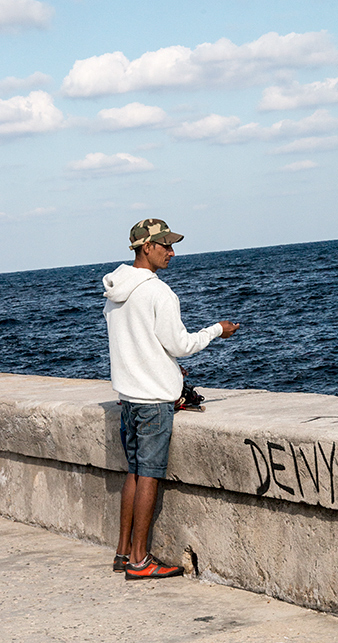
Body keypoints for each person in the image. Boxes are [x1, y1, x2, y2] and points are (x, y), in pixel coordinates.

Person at [103, 218, 239, 580]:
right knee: (148, 476)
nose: (172, 252)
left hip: (128, 397)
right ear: (146, 247)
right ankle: (139, 561)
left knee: (133, 472)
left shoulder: (115, 291)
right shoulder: (158, 292)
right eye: (165, 245)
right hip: (153, 402)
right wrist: (216, 330)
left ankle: (122, 553)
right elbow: (181, 345)